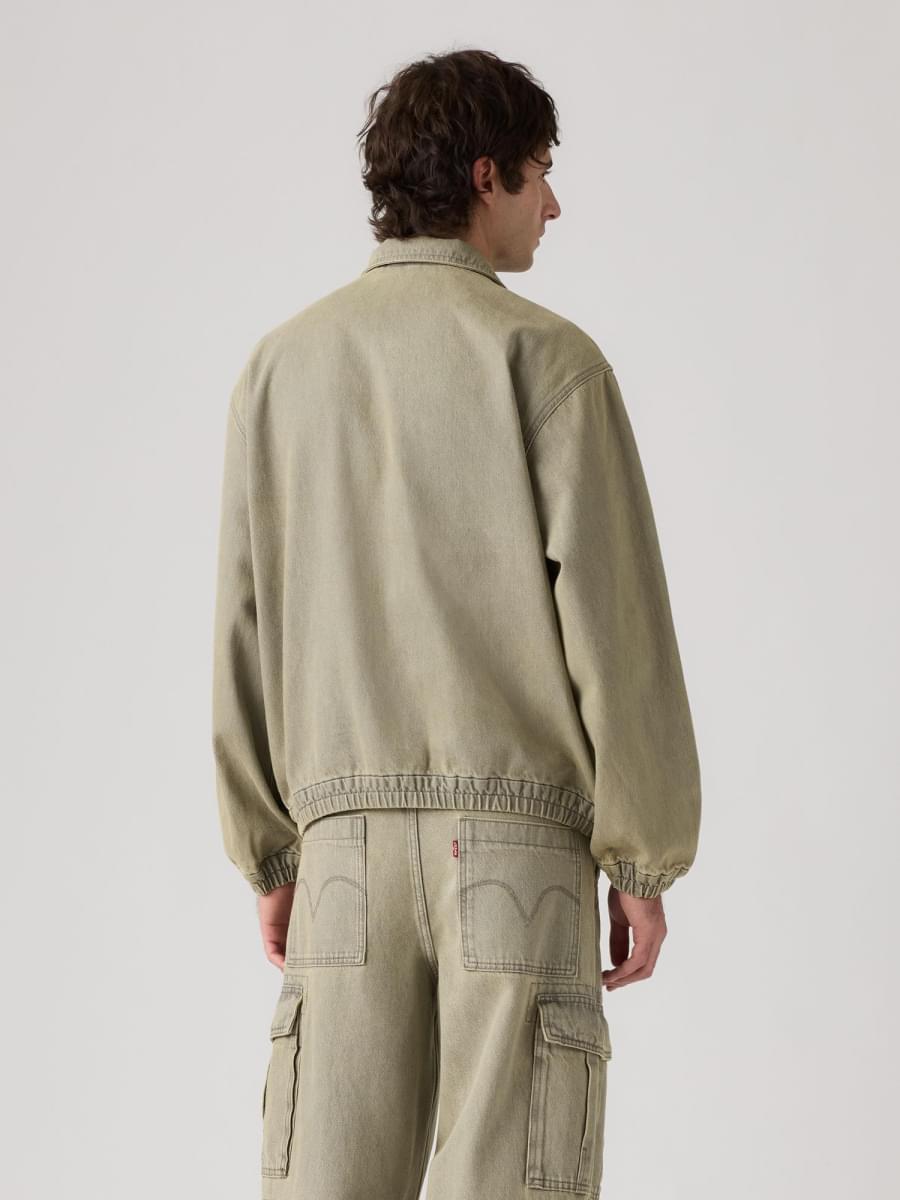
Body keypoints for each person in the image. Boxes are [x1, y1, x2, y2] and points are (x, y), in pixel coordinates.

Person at [211, 47, 701, 1200]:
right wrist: (643, 857)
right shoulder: (550, 362)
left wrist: (270, 848)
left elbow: (244, 622)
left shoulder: (280, 370)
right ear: (487, 176)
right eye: (541, 172)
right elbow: (616, 629)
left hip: (342, 857)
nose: (553, 204)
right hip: (518, 855)